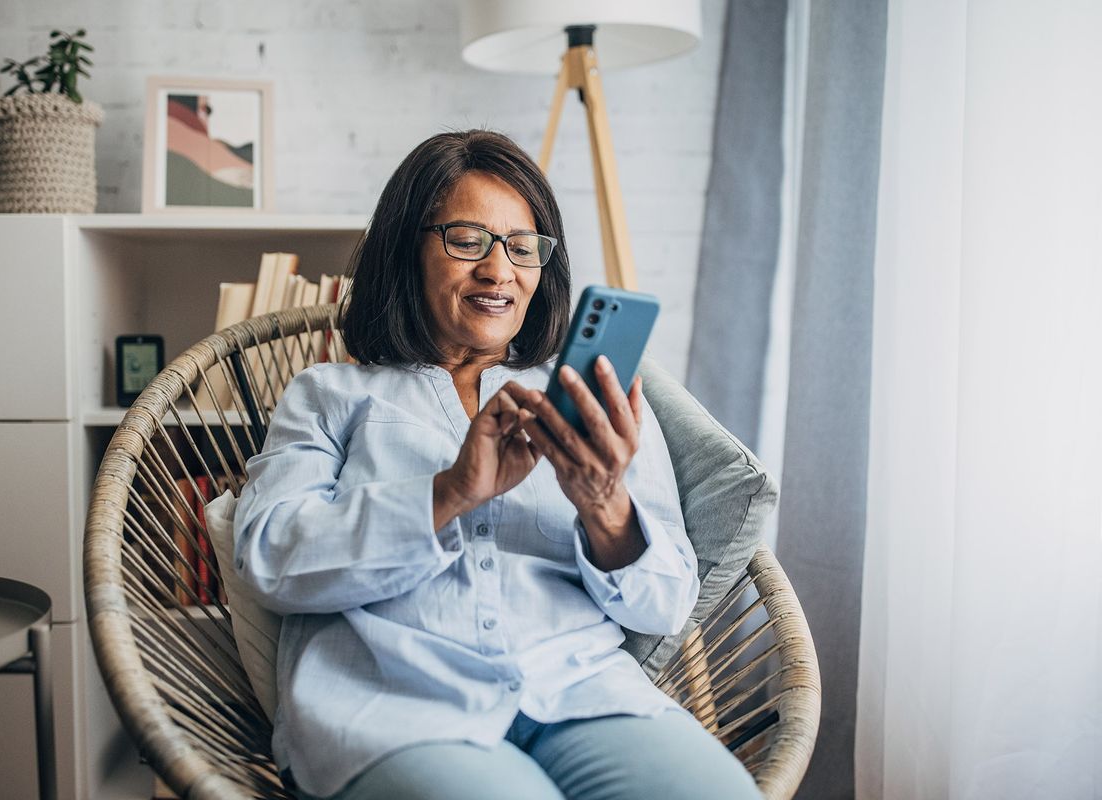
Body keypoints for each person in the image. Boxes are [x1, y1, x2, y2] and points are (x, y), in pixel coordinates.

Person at [233, 130, 760, 800]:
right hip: (397, 709)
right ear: (405, 248)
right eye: (467, 239)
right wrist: (450, 492)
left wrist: (604, 505)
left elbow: (666, 605)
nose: (499, 270)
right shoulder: (330, 396)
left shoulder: (590, 401)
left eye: (521, 246)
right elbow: (272, 559)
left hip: (580, 693)